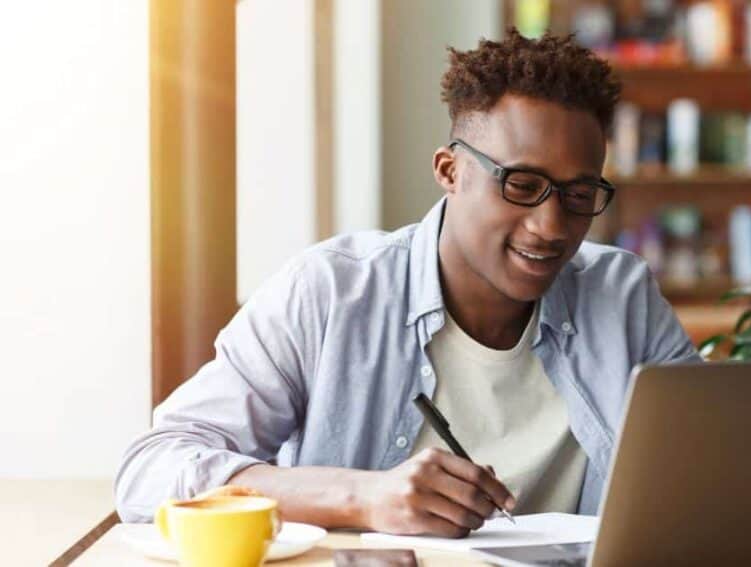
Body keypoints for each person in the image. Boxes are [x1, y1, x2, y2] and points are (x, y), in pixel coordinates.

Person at [115, 29, 700, 537]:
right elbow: (151, 471)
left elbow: (710, 469)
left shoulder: (621, 295)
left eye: (578, 196)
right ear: (450, 170)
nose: (551, 227)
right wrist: (362, 497)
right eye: (521, 185)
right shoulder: (331, 292)